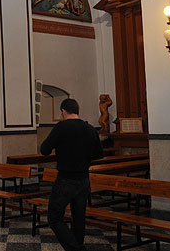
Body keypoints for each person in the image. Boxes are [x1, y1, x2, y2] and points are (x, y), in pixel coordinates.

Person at [39, 98, 103, 251]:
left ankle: (76, 248)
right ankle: (78, 244)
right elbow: (99, 154)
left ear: (63, 111)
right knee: (78, 218)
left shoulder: (61, 127)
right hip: (84, 180)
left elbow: (44, 150)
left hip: (65, 180)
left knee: (54, 218)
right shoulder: (90, 128)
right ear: (77, 110)